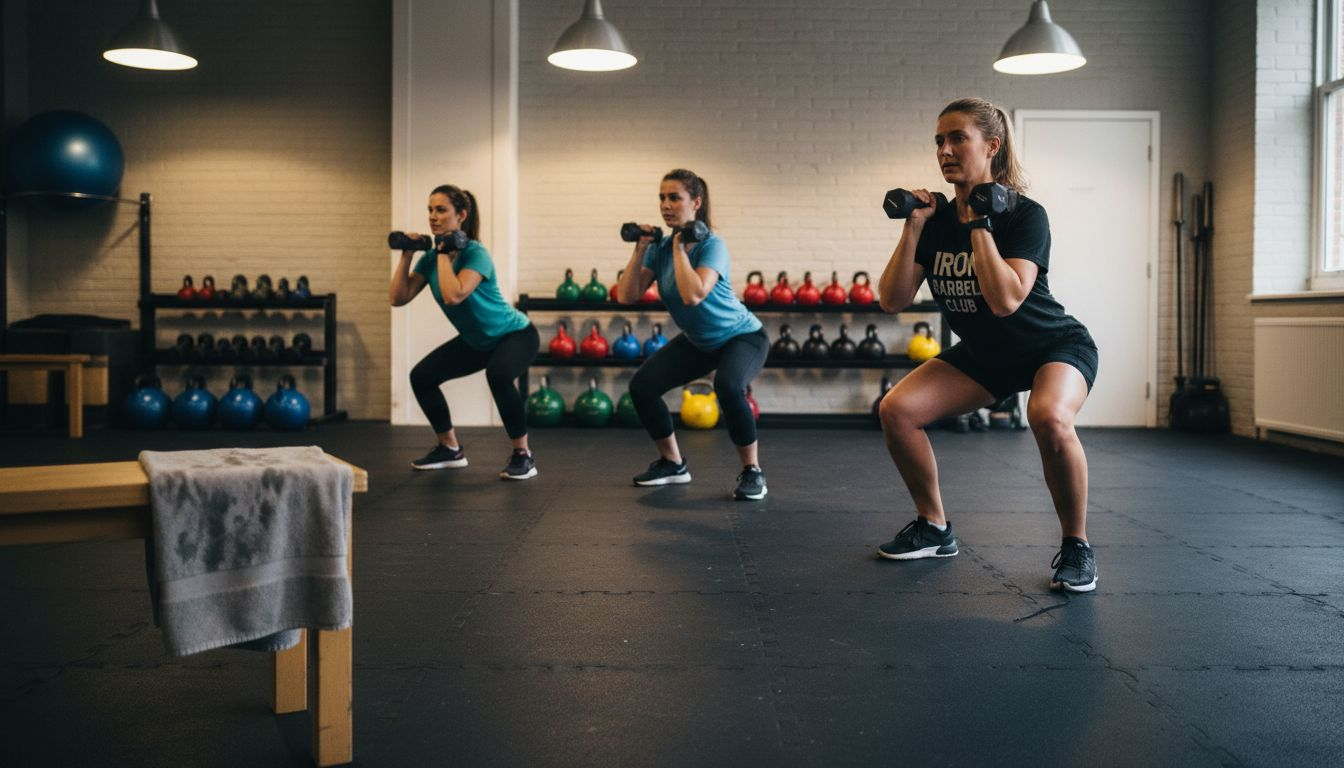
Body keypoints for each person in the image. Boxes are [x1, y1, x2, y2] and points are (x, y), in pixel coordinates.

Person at [874, 97, 1101, 592]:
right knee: (897, 410)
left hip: (1052, 346)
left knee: (1049, 417)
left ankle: (1077, 545)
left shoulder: (1025, 216)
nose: (945, 150)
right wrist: (915, 226)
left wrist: (979, 223)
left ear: (992, 146)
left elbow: (1005, 301)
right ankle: (934, 526)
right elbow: (892, 300)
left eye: (958, 138)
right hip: (986, 356)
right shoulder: (934, 222)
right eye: (939, 140)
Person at [615, 169, 771, 501]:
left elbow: (694, 294)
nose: (666, 205)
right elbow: (627, 295)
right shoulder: (660, 247)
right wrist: (641, 248)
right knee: (642, 387)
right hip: (701, 341)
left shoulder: (712, 244)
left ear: (695, 202)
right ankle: (672, 463)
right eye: (662, 197)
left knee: (728, 386)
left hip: (742, 337)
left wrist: (679, 248)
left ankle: (752, 471)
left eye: (675, 197)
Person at [390, 184, 540, 480]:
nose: (433, 216)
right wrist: (407, 255)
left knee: (498, 375)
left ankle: (523, 455)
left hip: (515, 335)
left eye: (441, 210)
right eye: (430, 210)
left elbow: (454, 295)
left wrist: (445, 252)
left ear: (461, 215)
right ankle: (450, 449)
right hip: (477, 341)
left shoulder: (475, 253)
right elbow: (398, 298)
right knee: (422, 377)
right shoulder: (431, 258)